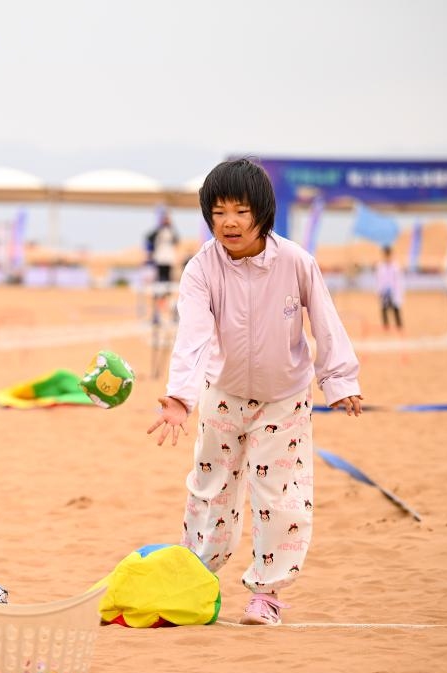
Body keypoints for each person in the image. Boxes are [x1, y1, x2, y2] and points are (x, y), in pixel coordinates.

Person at [147, 159, 362, 627]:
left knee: (279, 495)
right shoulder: (201, 269)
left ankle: (266, 594)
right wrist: (179, 398)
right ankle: (197, 576)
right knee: (210, 488)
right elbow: (194, 336)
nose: (228, 222)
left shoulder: (296, 263)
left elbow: (324, 322)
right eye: (218, 212)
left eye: (240, 211)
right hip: (222, 395)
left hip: (284, 400)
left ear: (262, 213)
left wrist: (339, 380)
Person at [375, 244, 404, 332]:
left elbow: (399, 281)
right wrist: (379, 291)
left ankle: (399, 328)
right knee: (384, 310)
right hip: (384, 292)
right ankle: (386, 328)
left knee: (396, 309)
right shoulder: (380, 267)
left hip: (394, 292)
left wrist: (397, 292)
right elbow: (379, 280)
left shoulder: (396, 267)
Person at [146, 212, 180, 284]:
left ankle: (166, 291)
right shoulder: (158, 231)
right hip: (160, 256)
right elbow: (149, 238)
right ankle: (159, 291)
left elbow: (176, 240)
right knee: (160, 275)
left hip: (168, 256)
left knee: (167, 274)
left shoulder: (171, 231)